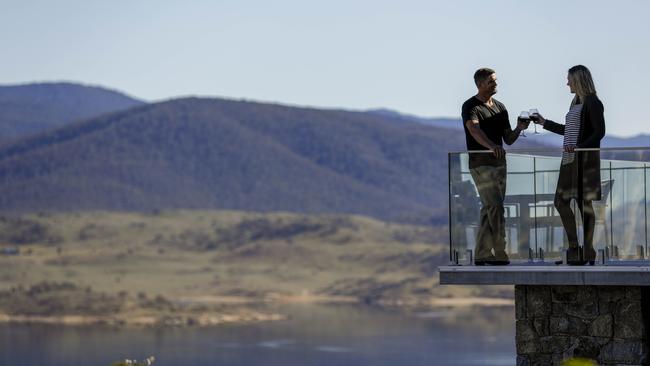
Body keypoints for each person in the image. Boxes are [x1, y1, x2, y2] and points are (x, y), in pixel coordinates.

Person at [532, 65, 605, 265]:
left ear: (578, 80)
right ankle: (575, 247)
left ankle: (587, 249)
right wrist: (544, 122)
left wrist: (579, 148)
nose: (567, 84)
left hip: (584, 160)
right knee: (561, 201)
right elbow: (569, 130)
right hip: (569, 159)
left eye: (569, 80)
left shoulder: (593, 102)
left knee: (584, 204)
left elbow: (599, 133)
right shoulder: (576, 102)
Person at [461, 68, 529, 265]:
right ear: (480, 84)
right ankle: (500, 251)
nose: (495, 84)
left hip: (500, 164)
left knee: (490, 208)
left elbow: (508, 139)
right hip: (481, 164)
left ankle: (482, 252)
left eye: (495, 81)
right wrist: (491, 146)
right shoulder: (471, 106)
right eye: (492, 81)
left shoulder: (500, 107)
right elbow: (473, 129)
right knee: (496, 208)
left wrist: (519, 128)